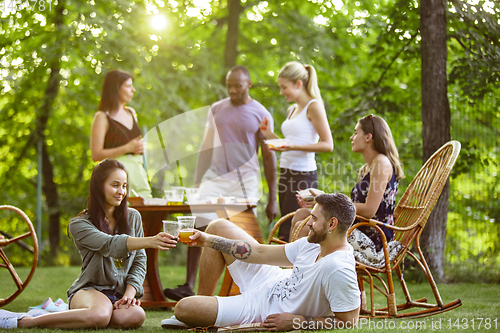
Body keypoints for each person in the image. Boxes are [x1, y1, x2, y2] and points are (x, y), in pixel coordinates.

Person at [0, 159, 177, 329]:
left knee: (135, 316)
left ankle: (81, 314)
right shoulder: (79, 224)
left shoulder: (133, 217)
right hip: (89, 290)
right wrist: (151, 241)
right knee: (99, 315)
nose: (121, 191)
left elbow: (139, 262)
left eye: (124, 186)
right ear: (99, 186)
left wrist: (129, 295)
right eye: (115, 185)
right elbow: (109, 245)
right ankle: (25, 320)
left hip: (117, 295)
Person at [160, 193, 359, 331]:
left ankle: (196, 312)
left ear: (332, 224)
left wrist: (298, 321)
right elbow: (260, 252)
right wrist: (208, 240)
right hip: (271, 280)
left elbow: (349, 322)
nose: (307, 223)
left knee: (183, 308)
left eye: (314, 219)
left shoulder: (337, 268)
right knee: (217, 227)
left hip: (262, 308)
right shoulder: (312, 244)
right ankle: (201, 308)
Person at [163, 65, 278, 301]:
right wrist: (196, 185)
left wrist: (273, 197)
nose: (233, 90)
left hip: (244, 179)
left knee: (242, 231)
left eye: (238, 85)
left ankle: (243, 292)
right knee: (199, 223)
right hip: (215, 176)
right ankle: (189, 285)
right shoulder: (216, 109)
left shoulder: (261, 113)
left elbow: (268, 156)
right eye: (229, 86)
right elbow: (206, 148)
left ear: (249, 84)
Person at [291, 115, 404, 251]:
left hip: (373, 237)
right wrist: (322, 202)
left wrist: (329, 203)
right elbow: (355, 206)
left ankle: (299, 269)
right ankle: (294, 267)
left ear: (368, 137)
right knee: (301, 214)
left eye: (356, 133)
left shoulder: (381, 163)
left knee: (302, 226)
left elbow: (369, 210)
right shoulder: (366, 169)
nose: (352, 137)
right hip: (357, 227)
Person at [259, 62, 333, 241]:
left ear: (298, 84)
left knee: (294, 229)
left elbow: (328, 144)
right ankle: (285, 268)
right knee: (285, 225)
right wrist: (268, 134)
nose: (281, 92)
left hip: (303, 175)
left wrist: (294, 146)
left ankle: (292, 268)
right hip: (286, 171)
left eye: (284, 87)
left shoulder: (313, 106)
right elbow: (289, 143)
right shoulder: (292, 109)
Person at [90, 69, 152, 198]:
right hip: (115, 179)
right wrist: (127, 148)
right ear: (116, 89)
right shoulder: (102, 117)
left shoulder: (131, 113)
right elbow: (96, 154)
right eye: (128, 86)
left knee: (147, 213)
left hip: (138, 175)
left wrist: (139, 148)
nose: (133, 90)